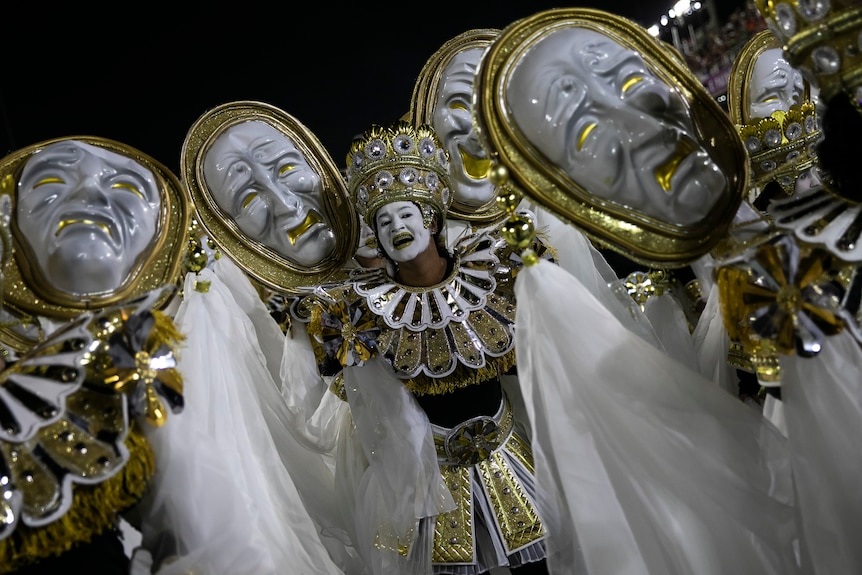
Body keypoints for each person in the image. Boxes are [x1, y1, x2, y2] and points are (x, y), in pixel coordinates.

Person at [471, 9, 802, 575]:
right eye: (586, 126)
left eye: (629, 80)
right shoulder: (623, 351)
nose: (639, 112)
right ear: (565, 191)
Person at [302, 120, 551, 575]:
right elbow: (369, 406)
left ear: (430, 219)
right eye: (383, 221)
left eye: (405, 215)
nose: (396, 227)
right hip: (432, 480)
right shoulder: (363, 311)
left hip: (509, 453)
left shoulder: (489, 272)